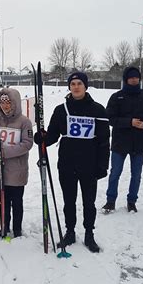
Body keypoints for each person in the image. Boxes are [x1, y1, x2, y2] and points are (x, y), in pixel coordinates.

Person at [35, 72, 110, 252]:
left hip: (89, 163)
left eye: (79, 83)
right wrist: (42, 138)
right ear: (69, 87)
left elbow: (104, 140)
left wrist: (102, 165)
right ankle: (70, 231)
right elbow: (53, 134)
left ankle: (89, 233)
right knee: (69, 201)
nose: (76, 87)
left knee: (88, 202)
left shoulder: (98, 110)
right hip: (67, 162)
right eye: (73, 84)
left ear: (85, 86)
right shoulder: (61, 110)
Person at [102, 67, 143, 213]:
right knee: (115, 172)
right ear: (125, 79)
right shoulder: (117, 97)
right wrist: (129, 122)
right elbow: (110, 118)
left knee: (136, 174)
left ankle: (132, 201)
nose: (134, 80)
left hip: (140, 142)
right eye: (131, 77)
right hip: (120, 142)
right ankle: (110, 200)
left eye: (136, 77)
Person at [0, 88, 33, 239]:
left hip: (17, 169)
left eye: (8, 102)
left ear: (14, 103)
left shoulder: (24, 122)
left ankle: (17, 229)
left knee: (16, 202)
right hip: (0, 169)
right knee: (3, 201)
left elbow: (27, 144)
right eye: (2, 102)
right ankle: (4, 227)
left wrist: (5, 152)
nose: (5, 106)